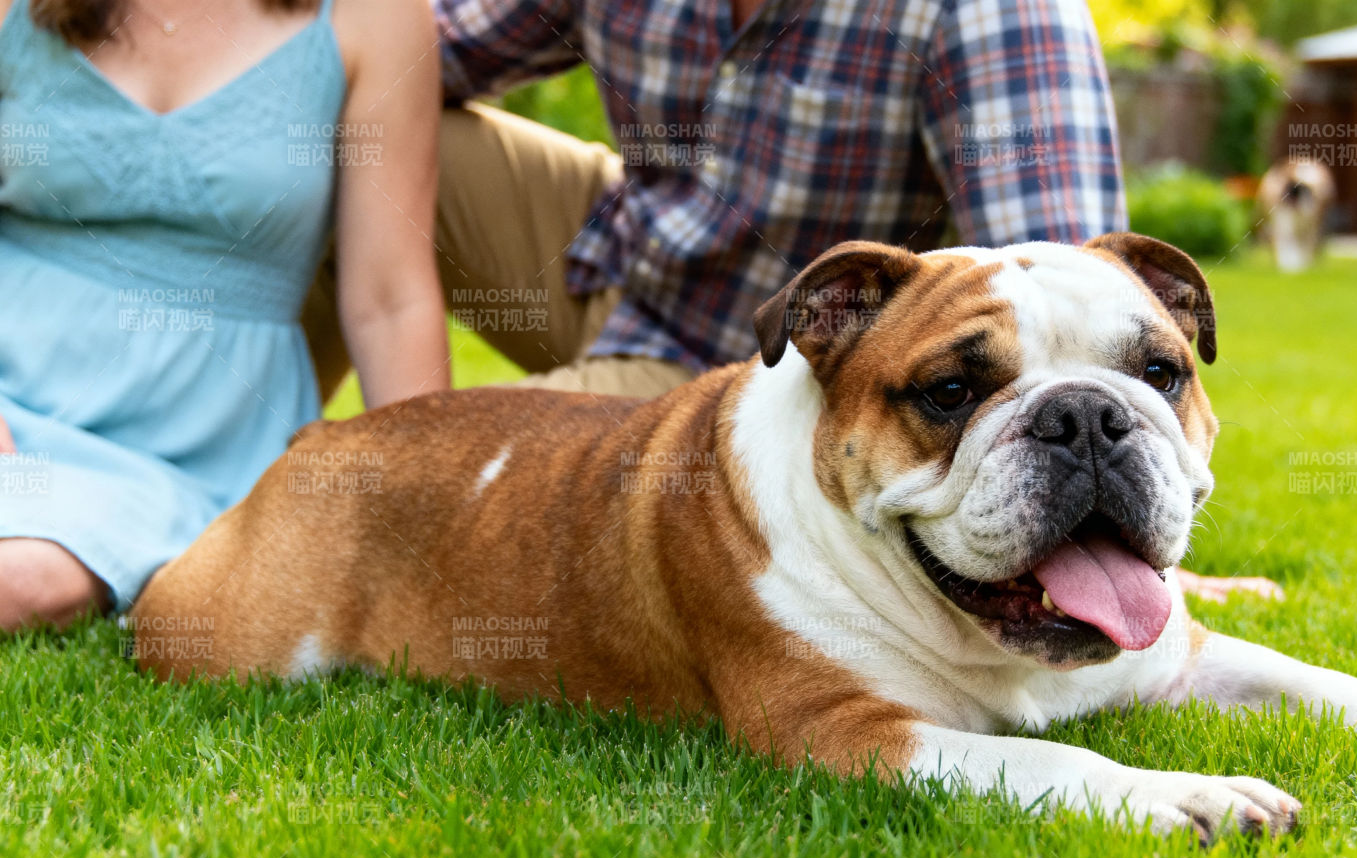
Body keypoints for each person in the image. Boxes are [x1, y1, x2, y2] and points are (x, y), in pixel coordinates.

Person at [300, 0, 1279, 603]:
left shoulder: (988, 9)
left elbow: (1063, 301)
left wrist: (1097, 516)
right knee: (330, 117)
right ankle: (246, 450)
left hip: (764, 364)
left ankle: (348, 507)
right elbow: (401, 46)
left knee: (496, 510)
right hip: (621, 249)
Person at [0, 0, 451, 629]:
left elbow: (390, 300)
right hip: (9, 393)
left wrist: (433, 517)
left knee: (22, 580)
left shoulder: (376, 15)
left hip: (201, 447)